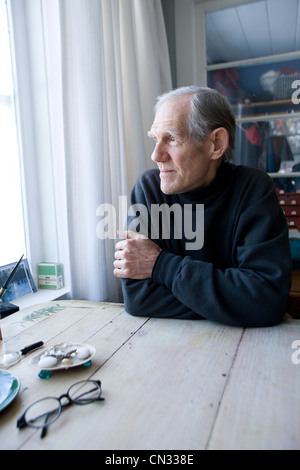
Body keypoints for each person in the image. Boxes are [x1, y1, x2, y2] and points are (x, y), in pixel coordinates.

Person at [113, 86, 292, 327]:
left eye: (172, 138)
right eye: (155, 139)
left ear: (216, 144)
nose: (156, 155)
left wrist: (160, 266)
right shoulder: (149, 189)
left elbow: (265, 299)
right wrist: (237, 303)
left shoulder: (253, 189)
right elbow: (138, 299)